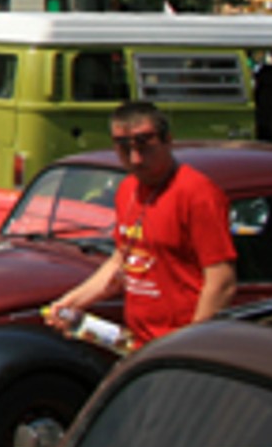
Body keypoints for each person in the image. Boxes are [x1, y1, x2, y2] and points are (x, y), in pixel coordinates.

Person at [47, 101, 236, 349]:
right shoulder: (128, 190)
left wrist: (189, 346)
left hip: (179, 346)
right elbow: (120, 262)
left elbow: (222, 281)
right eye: (124, 149)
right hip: (136, 345)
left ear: (168, 140)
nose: (136, 159)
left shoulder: (197, 193)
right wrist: (71, 302)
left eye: (145, 146)